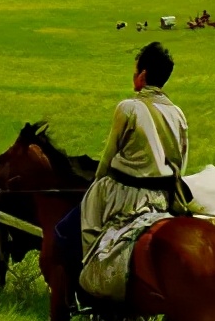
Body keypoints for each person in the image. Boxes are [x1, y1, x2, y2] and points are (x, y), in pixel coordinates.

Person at [55, 41, 192, 264]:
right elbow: (181, 162)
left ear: (142, 75)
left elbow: (107, 161)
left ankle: (86, 274)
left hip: (125, 197)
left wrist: (95, 185)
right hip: (162, 198)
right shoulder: (178, 113)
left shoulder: (128, 108)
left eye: (135, 71)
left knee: (66, 230)